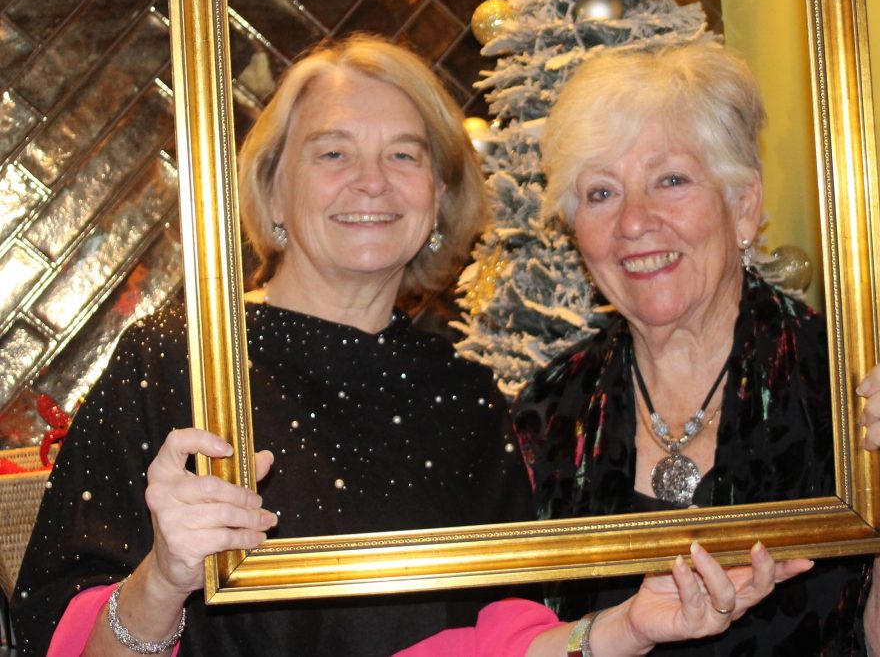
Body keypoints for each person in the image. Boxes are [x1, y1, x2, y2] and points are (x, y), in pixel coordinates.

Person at [11, 34, 538, 656]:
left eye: (403, 155)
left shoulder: (466, 397)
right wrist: (162, 582)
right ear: (274, 191)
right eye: (333, 153)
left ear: (439, 196)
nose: (372, 182)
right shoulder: (176, 359)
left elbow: (518, 632)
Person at [507, 41, 880, 655]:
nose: (634, 222)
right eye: (601, 193)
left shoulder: (840, 385)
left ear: (743, 206)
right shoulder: (548, 413)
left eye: (671, 180)